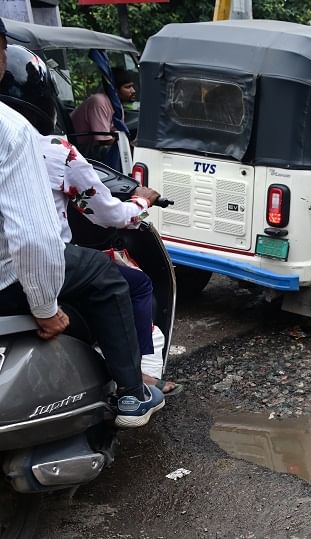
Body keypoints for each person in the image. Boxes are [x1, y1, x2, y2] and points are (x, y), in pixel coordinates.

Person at [0, 22, 164, 428]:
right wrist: (139, 204)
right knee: (119, 282)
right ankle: (134, 391)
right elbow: (92, 218)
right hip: (14, 273)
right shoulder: (42, 144)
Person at [69, 66, 136, 162]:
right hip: (78, 148)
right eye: (128, 87)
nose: (133, 91)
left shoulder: (116, 104)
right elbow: (104, 140)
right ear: (115, 90)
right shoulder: (99, 102)